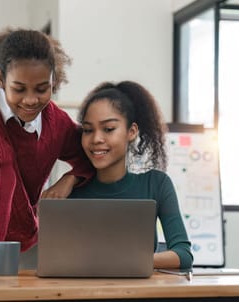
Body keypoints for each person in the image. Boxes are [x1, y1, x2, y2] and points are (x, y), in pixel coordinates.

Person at [0, 28, 94, 253]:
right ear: (0, 78)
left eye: (41, 89)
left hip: (26, 243)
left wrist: (70, 179)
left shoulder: (55, 121)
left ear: (53, 81)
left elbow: (91, 153)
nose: (30, 100)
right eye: (19, 89)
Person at [69, 81, 193, 269]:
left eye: (108, 129)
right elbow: (60, 258)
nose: (96, 139)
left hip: (140, 295)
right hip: (85, 294)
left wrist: (131, 261)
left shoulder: (157, 185)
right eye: (88, 130)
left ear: (132, 131)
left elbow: (183, 255)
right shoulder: (72, 191)